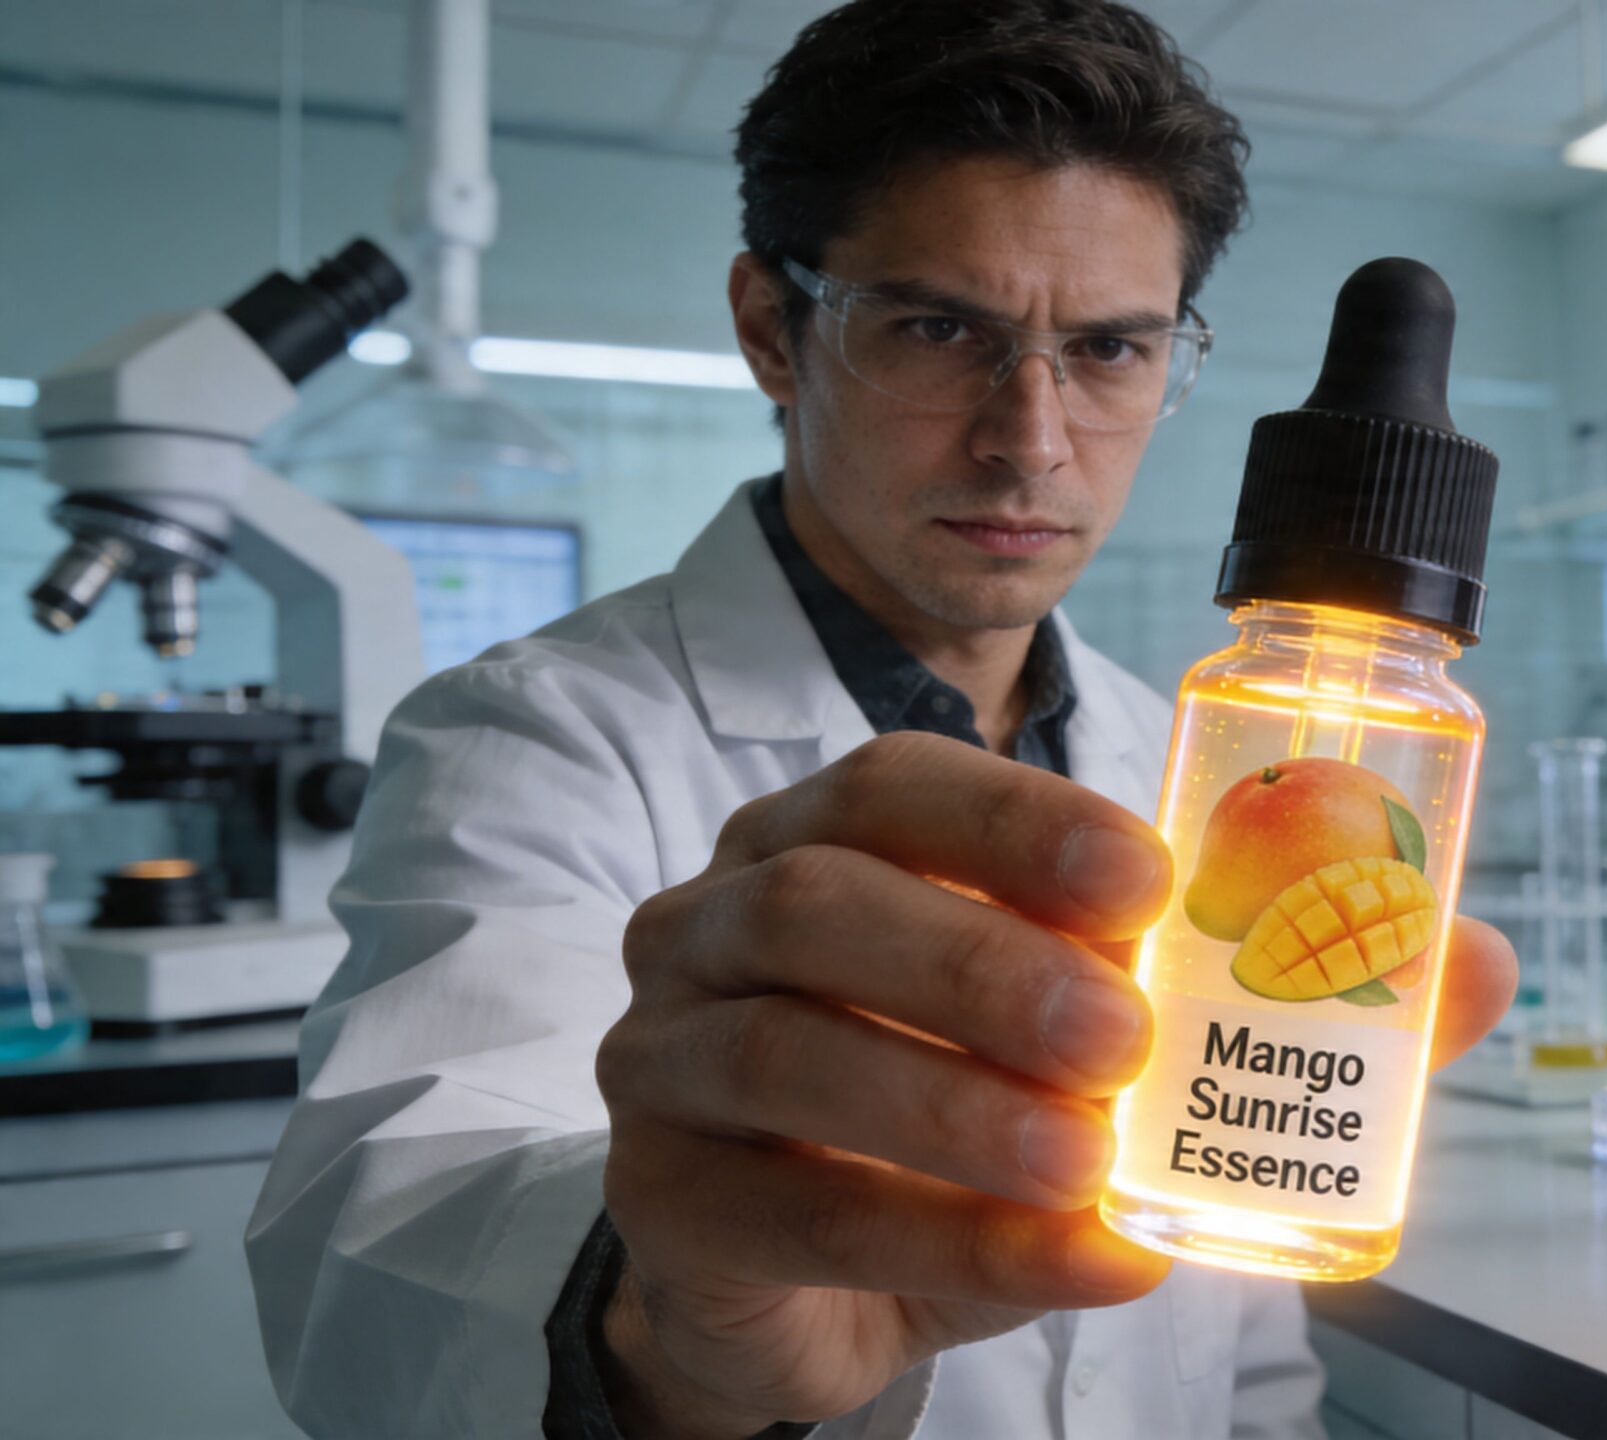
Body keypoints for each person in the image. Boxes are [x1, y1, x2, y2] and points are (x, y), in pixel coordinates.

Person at [243, 2, 1519, 1436]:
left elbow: (1242, 1356)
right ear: (770, 331)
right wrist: (668, 1329)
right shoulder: (532, 741)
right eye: (936, 327)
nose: (1030, 437)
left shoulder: (1196, 758)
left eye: (1108, 351)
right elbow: (368, 1271)